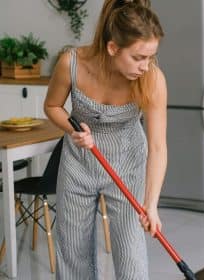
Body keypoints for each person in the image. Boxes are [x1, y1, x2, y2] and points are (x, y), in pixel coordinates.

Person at [44, 0, 167, 279]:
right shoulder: (71, 63)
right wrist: (73, 129)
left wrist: (151, 203)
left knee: (131, 256)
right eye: (138, 58)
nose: (145, 66)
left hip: (128, 166)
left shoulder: (153, 79)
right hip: (79, 164)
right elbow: (52, 106)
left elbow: (158, 146)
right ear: (113, 48)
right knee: (74, 256)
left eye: (150, 57)